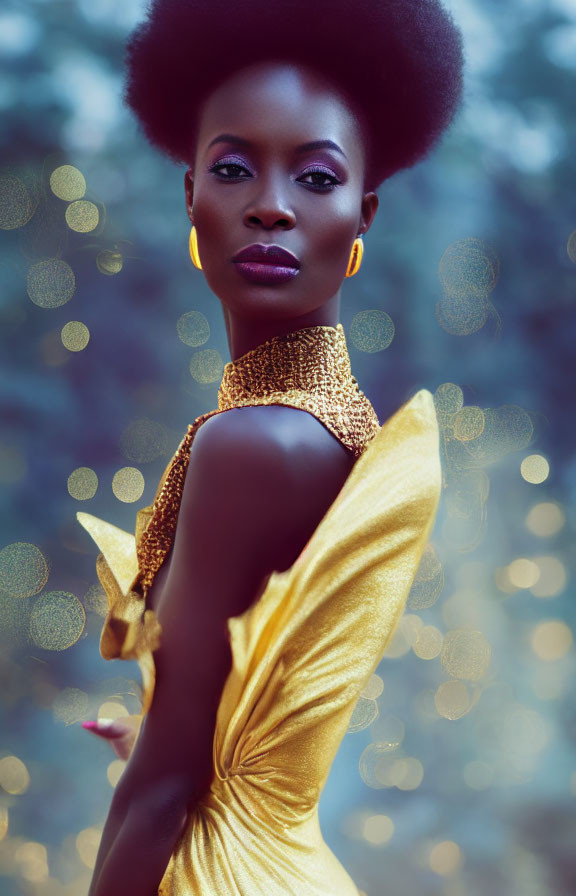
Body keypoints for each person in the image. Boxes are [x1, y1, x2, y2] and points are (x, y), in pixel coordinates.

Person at [78, 0, 465, 893]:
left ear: (364, 215)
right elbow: (241, 731)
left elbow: (163, 793)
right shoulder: (331, 423)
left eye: (318, 179)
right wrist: (163, 728)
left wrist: (159, 763)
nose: (270, 208)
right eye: (235, 169)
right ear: (190, 195)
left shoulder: (256, 444)